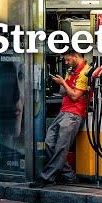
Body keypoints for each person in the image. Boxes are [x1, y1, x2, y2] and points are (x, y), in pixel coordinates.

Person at [30, 48, 89, 188]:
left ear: (75, 56)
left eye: (68, 59)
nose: (66, 62)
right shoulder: (71, 70)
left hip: (74, 114)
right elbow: (63, 93)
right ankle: (69, 176)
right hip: (63, 111)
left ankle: (46, 178)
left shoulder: (85, 72)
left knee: (61, 147)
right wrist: (61, 81)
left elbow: (75, 96)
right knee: (49, 141)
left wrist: (63, 83)